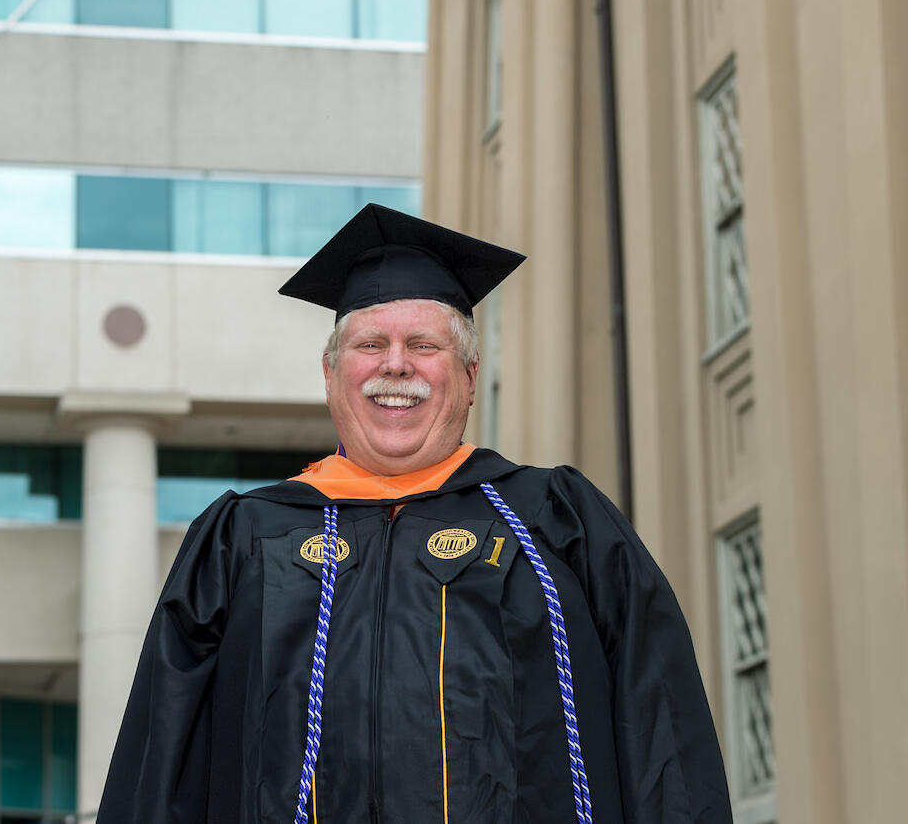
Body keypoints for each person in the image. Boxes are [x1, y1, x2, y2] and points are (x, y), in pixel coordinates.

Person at [96, 205, 733, 823]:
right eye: (370, 343)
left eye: (424, 344)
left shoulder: (555, 522)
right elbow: (160, 761)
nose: (395, 364)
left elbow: (663, 737)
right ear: (329, 374)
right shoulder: (246, 537)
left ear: (470, 374)